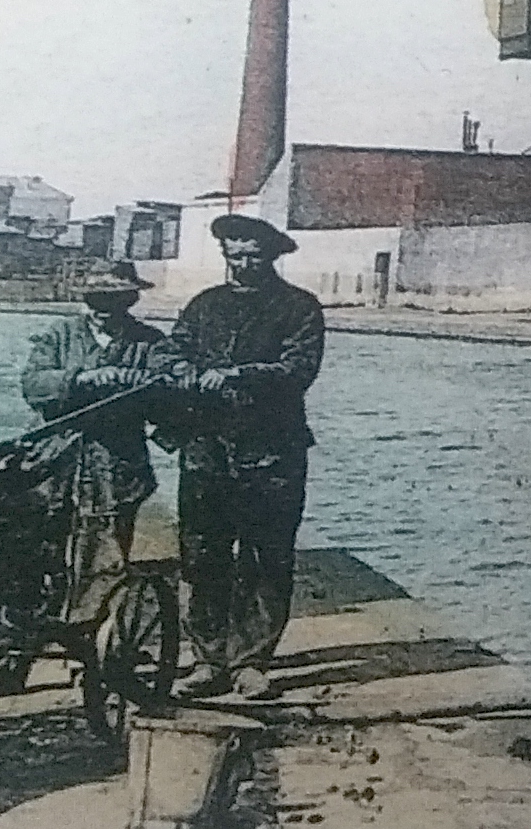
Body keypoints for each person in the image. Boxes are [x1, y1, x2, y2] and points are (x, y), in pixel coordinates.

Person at [170, 214, 323, 701]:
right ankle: (207, 658)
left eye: (252, 256)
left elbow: (298, 369)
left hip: (272, 453)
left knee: (266, 556)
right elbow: (174, 351)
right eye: (233, 256)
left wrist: (237, 375)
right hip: (206, 452)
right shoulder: (204, 305)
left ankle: (252, 661)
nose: (241, 265)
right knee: (201, 554)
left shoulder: (299, 308)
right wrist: (181, 371)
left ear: (272, 256)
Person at [19, 261, 185, 626]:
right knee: (39, 549)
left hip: (116, 465)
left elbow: (170, 393)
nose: (100, 308)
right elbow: (33, 385)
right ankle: (26, 643)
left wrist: (141, 383)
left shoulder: (151, 342)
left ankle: (90, 638)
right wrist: (83, 379)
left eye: (110, 299)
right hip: (51, 460)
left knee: (105, 552)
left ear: (129, 299)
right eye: (94, 298)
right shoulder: (59, 334)